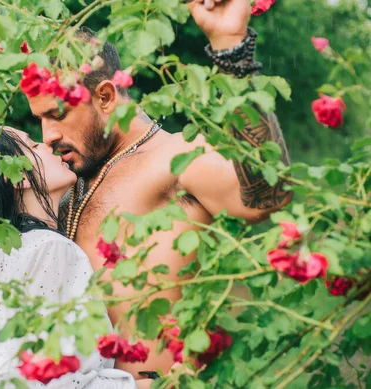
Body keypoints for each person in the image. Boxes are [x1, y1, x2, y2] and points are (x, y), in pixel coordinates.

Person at [25, 0, 292, 379]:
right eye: (40, 120)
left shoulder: (174, 158)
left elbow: (270, 195)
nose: (48, 135)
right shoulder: (68, 188)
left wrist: (232, 50)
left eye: (57, 114)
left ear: (105, 97)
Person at [0, 126, 151, 388]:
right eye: (33, 146)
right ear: (18, 176)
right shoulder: (48, 249)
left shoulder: (6, 256)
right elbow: (46, 381)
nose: (46, 144)